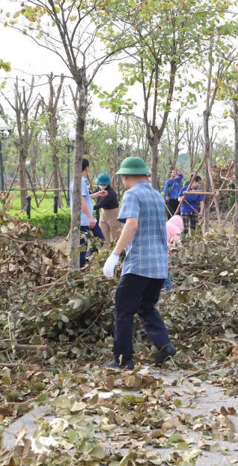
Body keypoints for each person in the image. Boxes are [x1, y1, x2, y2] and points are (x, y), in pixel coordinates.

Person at [101, 156, 176, 370]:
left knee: (123, 309)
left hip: (139, 264)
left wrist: (115, 254)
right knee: (146, 306)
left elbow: (131, 225)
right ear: (145, 175)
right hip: (159, 264)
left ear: (125, 176)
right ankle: (164, 345)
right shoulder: (156, 196)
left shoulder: (132, 194)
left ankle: (123, 360)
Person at [72, 158, 108, 268]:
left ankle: (85, 263)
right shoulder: (80, 182)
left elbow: (85, 197)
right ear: (87, 168)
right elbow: (81, 200)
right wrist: (90, 217)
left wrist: (97, 194)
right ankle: (81, 269)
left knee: (97, 240)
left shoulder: (76, 181)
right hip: (84, 220)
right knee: (86, 244)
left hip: (84, 219)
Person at [94, 172, 122, 248]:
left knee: (116, 234)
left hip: (113, 213)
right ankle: (104, 254)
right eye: (100, 184)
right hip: (104, 213)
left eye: (103, 184)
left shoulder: (110, 193)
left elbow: (100, 205)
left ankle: (119, 254)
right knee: (103, 234)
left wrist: (89, 208)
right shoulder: (99, 189)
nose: (101, 186)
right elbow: (93, 195)